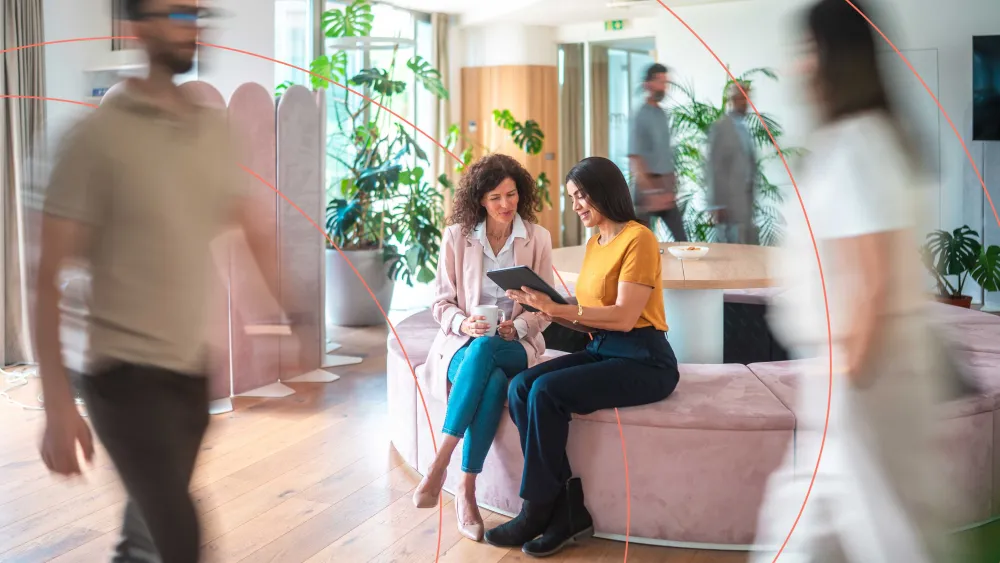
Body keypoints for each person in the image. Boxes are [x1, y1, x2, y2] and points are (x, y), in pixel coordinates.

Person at [34, 1, 290, 561]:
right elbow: (47, 274)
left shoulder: (209, 132)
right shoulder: (95, 139)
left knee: (146, 536)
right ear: (136, 27)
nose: (190, 26)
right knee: (181, 538)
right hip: (121, 379)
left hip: (190, 379)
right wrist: (56, 400)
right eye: (173, 15)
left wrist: (275, 314)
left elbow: (246, 227)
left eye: (193, 13)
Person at [751, 1, 957, 562]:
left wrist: (848, 378)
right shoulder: (857, 139)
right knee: (804, 533)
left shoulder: (861, 144)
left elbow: (872, 280)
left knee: (892, 535)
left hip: (865, 371)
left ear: (834, 58)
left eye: (807, 51)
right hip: (851, 370)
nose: (798, 66)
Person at [484, 156, 680, 557]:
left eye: (581, 196)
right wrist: (541, 304)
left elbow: (625, 317)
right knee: (522, 387)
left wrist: (556, 308)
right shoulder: (596, 243)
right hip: (603, 347)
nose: (575, 205)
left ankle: (537, 508)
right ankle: (565, 510)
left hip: (645, 359)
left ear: (605, 192)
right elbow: (589, 315)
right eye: (572, 197)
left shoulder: (638, 238)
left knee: (547, 392)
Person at [413, 153, 553, 542]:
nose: (506, 204)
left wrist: (519, 325)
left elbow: (548, 310)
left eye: (511, 195)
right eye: (496, 198)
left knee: (488, 351)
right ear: (480, 201)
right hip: (463, 344)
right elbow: (440, 302)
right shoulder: (457, 236)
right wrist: (464, 322)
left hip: (514, 345)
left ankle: (439, 464)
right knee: (488, 375)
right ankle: (465, 488)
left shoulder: (537, 238)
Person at [628, 63, 688, 242]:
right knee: (641, 245)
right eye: (660, 81)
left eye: (666, 82)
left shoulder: (661, 114)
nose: (665, 87)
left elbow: (664, 154)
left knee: (683, 242)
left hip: (665, 188)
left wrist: (670, 187)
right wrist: (651, 193)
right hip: (647, 191)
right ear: (648, 84)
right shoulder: (640, 116)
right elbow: (635, 159)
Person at [707, 81, 759, 245]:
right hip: (728, 202)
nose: (747, 104)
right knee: (731, 249)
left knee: (746, 249)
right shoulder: (721, 127)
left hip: (745, 199)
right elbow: (713, 167)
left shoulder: (744, 129)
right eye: (743, 99)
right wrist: (717, 204)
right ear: (734, 100)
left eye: (748, 99)